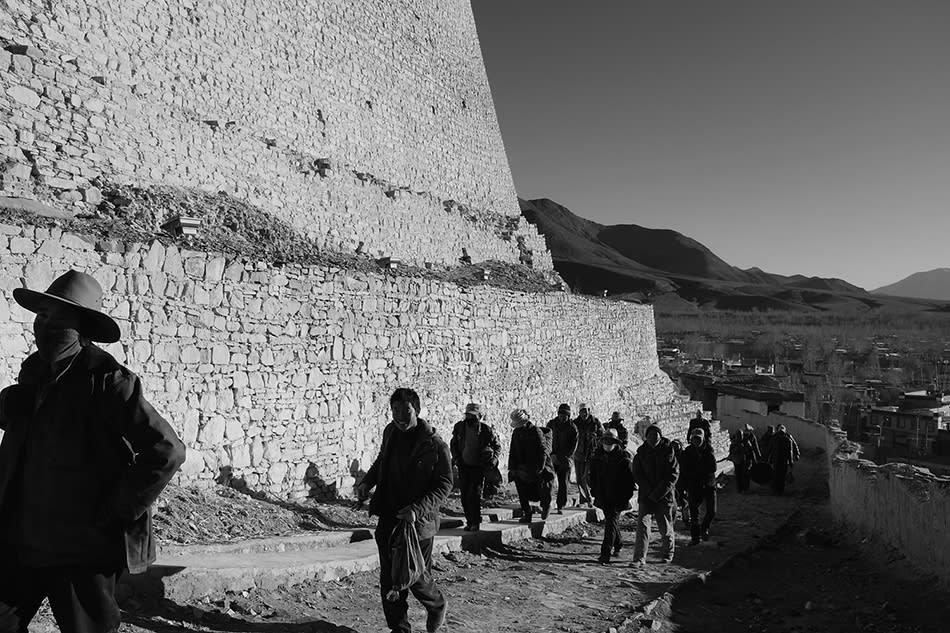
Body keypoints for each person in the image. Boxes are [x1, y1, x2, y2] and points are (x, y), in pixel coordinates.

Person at [0, 269, 187, 633]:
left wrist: (118, 509)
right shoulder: (34, 373)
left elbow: (167, 451)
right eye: (42, 314)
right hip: (22, 538)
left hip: (80, 549)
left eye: (57, 316)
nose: (44, 323)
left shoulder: (109, 382)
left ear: (81, 326)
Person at [356, 388, 452, 633]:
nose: (399, 416)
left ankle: (437, 604)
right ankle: (399, 628)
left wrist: (417, 510)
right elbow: (382, 461)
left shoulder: (434, 445)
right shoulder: (390, 433)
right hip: (390, 515)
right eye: (395, 410)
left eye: (405, 411)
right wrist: (368, 482)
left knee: (415, 576)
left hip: (417, 524)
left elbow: (444, 485)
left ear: (417, 411)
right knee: (390, 579)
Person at [631, 424, 679, 565]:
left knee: (665, 527)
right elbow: (637, 474)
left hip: (664, 496)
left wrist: (658, 492)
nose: (653, 439)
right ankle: (639, 558)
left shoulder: (668, 452)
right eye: (650, 436)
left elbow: (673, 475)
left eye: (656, 436)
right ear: (646, 437)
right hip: (646, 495)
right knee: (642, 527)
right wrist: (649, 490)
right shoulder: (641, 453)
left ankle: (668, 553)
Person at [450, 403, 501, 532]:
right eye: (468, 415)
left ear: (479, 416)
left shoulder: (486, 430)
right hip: (463, 466)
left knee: (475, 495)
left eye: (473, 416)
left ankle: (475, 522)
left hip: (478, 467)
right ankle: (469, 521)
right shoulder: (460, 427)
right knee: (464, 495)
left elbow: (497, 447)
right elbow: (454, 443)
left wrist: (493, 461)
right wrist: (456, 457)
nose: (470, 418)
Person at [590, 429, 635, 564]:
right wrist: (594, 490)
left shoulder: (623, 459)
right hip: (603, 495)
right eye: (605, 441)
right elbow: (592, 476)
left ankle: (605, 553)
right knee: (611, 521)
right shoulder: (597, 457)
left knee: (610, 523)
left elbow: (629, 481)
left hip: (618, 496)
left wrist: (626, 496)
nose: (607, 444)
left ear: (615, 443)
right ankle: (619, 543)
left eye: (610, 441)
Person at [507, 409, 553, 522]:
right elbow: (513, 450)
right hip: (522, 466)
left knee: (542, 488)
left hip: (536, 465)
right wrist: (512, 468)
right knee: (521, 490)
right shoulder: (516, 433)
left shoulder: (536, 432)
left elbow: (543, 451)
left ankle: (546, 505)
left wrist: (540, 468)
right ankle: (527, 513)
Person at [680, 428, 718, 544]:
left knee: (712, 511)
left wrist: (698, 470)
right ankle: (695, 538)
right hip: (694, 485)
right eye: (694, 438)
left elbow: (713, 467)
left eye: (698, 438)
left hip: (708, 484)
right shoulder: (688, 452)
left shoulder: (708, 450)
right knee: (694, 515)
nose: (696, 441)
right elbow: (684, 470)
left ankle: (704, 527)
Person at [546, 403, 578, 513]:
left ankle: (560, 505)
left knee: (563, 483)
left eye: (565, 415)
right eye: (561, 415)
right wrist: (552, 455)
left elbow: (572, 448)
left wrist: (560, 457)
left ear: (568, 416)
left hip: (565, 460)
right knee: (548, 481)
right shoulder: (551, 424)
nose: (562, 417)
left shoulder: (572, 428)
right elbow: (546, 440)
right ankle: (546, 504)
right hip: (552, 458)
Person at [572, 403, 604, 507]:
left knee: (585, 477)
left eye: (585, 411)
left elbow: (602, 436)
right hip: (578, 453)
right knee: (579, 478)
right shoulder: (575, 423)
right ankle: (583, 499)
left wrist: (595, 441)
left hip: (591, 453)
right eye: (582, 411)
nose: (584, 414)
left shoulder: (595, 422)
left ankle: (589, 498)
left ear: (588, 411)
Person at [769, 424, 801, 496]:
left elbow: (770, 449)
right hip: (783, 461)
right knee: (781, 476)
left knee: (777, 475)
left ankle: (776, 490)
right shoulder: (786, 438)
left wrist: (769, 459)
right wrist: (791, 461)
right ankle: (779, 490)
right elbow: (790, 451)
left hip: (777, 460)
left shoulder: (777, 438)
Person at [729, 425, 762, 493]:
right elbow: (731, 452)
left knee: (745, 475)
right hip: (737, 461)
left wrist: (754, 460)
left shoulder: (747, 442)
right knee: (738, 475)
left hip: (745, 461)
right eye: (739, 436)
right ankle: (739, 488)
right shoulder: (734, 443)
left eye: (741, 435)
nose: (740, 437)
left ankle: (745, 488)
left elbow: (752, 451)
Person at [670, 438, 689, 528]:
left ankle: (686, 520)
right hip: (674, 484)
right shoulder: (670, 456)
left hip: (683, 483)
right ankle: (672, 522)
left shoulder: (684, 456)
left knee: (684, 503)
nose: (675, 447)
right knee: (674, 505)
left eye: (677, 445)